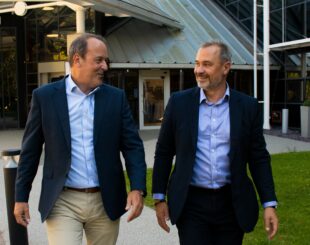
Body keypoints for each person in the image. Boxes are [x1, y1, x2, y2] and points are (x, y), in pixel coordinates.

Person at [14, 33, 147, 245]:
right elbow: (30, 151)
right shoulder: (45, 97)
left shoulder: (116, 98)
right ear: (77, 59)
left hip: (106, 201)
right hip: (62, 200)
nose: (105, 66)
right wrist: (20, 197)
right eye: (99, 60)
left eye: (106, 61)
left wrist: (137, 188)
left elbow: (133, 147)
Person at [152, 41, 278, 244]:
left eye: (207, 64)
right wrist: (159, 198)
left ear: (226, 67)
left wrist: (269, 204)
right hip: (191, 204)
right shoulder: (179, 103)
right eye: (197, 63)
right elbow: (164, 151)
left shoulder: (247, 106)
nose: (198, 70)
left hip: (232, 204)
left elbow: (258, 157)